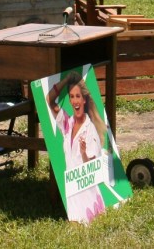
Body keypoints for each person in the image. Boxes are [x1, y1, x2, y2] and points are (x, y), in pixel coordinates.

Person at [46, 70, 107, 223]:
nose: (74, 101)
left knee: (84, 226)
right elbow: (50, 100)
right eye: (72, 96)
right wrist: (66, 80)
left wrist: (84, 152)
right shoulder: (67, 123)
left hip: (87, 193)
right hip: (72, 190)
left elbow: (93, 167)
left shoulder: (90, 129)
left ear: (84, 100)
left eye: (78, 96)